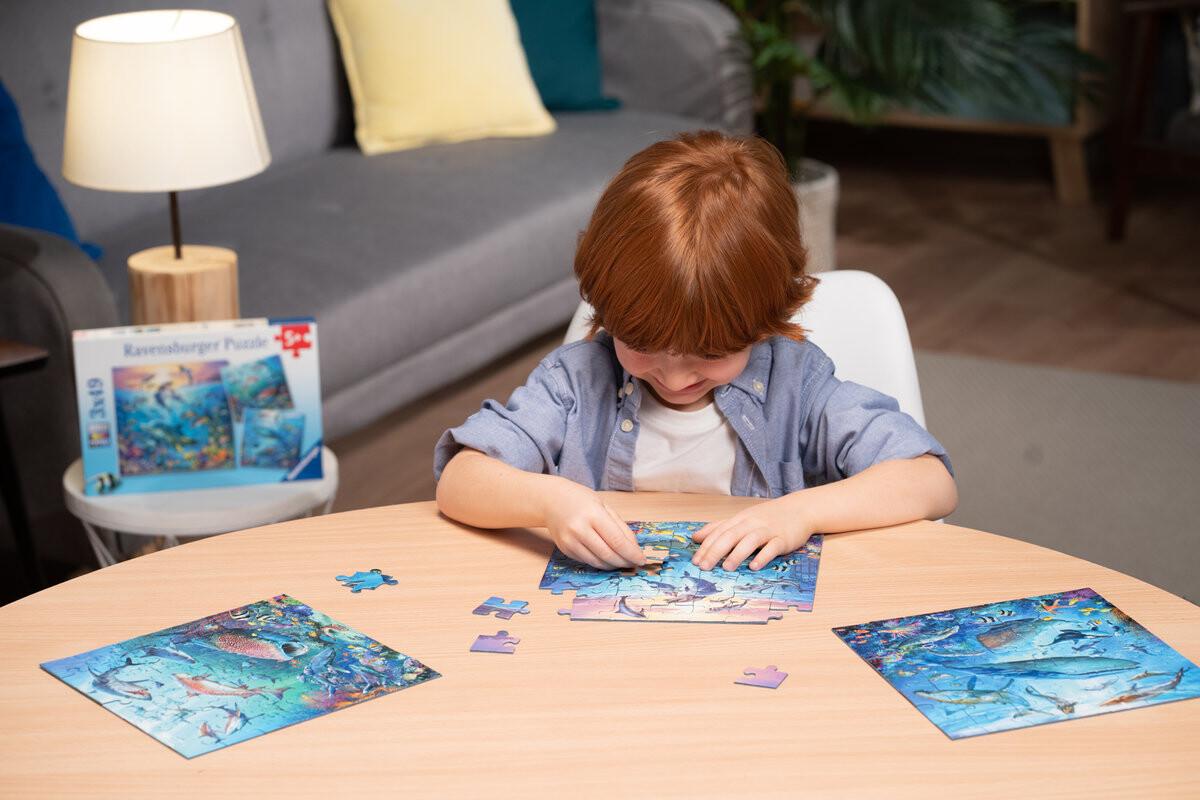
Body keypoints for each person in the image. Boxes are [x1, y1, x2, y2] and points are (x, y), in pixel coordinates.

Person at [434, 131, 956, 572]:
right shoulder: (576, 382)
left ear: (762, 326)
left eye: (709, 353)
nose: (675, 377)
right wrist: (551, 501)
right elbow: (460, 479)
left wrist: (800, 513)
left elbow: (929, 480)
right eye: (642, 345)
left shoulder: (796, 384)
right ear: (608, 312)